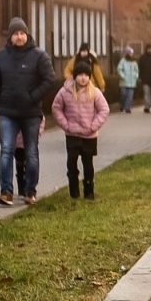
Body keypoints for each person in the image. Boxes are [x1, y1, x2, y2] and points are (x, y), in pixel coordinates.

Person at [0, 17, 56, 206]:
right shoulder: (2, 57)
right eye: (15, 34)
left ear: (27, 34)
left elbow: (50, 79)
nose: (19, 37)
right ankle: (6, 192)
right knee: (6, 151)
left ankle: (30, 191)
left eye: (22, 33)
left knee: (31, 152)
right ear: (10, 37)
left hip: (31, 113)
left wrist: (33, 96)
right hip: (7, 111)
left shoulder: (39, 56)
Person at [52, 62, 110, 200]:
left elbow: (104, 109)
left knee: (88, 162)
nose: (83, 78)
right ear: (74, 76)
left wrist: (93, 126)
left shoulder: (94, 92)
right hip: (72, 133)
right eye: (80, 75)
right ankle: (74, 191)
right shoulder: (65, 92)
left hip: (89, 135)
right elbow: (56, 107)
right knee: (71, 161)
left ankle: (89, 191)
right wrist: (65, 125)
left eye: (86, 75)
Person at [116, 47, 140, 114]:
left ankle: (127, 108)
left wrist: (136, 76)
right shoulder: (122, 61)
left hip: (132, 81)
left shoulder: (134, 62)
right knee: (123, 94)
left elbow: (137, 70)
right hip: (124, 81)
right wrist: (122, 76)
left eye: (132, 53)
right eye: (130, 53)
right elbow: (119, 69)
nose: (131, 54)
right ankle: (122, 105)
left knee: (130, 96)